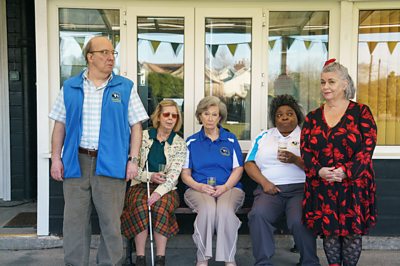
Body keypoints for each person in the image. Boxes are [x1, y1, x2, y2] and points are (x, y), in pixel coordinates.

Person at [49, 36, 149, 265]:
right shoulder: (70, 87)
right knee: (73, 222)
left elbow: (136, 126)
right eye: (104, 52)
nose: (110, 57)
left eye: (112, 52)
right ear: (90, 57)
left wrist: (133, 160)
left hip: (111, 162)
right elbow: (59, 126)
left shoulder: (125, 87)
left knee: (111, 223)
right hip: (76, 162)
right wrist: (56, 159)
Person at [301, 59, 377, 266]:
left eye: (331, 82)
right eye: (323, 82)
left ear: (344, 84)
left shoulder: (362, 112)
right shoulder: (312, 117)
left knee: (352, 234)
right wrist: (319, 171)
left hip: (353, 184)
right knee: (330, 233)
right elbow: (305, 150)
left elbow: (368, 147)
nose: (326, 87)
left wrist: (346, 171)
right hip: (324, 183)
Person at [245, 94, 320, 266]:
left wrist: (295, 160)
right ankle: (263, 263)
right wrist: (264, 183)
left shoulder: (307, 136)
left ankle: (309, 262)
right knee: (258, 214)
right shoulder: (264, 136)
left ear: (297, 116)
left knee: (299, 219)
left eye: (289, 113)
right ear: (274, 119)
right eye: (279, 114)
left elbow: (316, 168)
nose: (284, 117)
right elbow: (249, 163)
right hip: (270, 189)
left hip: (300, 190)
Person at [120, 100, 187, 266]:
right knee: (140, 206)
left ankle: (160, 258)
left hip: (166, 189)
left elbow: (174, 176)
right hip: (140, 184)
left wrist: (158, 193)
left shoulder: (179, 143)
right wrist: (150, 176)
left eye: (174, 115)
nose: (170, 118)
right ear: (158, 116)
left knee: (160, 207)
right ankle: (140, 258)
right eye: (166, 114)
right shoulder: (142, 137)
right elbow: (132, 167)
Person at [181, 96, 245, 266]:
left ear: (220, 117)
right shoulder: (191, 142)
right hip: (198, 188)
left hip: (229, 187)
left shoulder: (230, 139)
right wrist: (199, 186)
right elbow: (185, 174)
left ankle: (229, 259)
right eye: (206, 113)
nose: (210, 118)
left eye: (214, 114)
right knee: (208, 209)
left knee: (224, 210)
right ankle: (202, 259)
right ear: (200, 116)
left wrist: (225, 187)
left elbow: (238, 169)